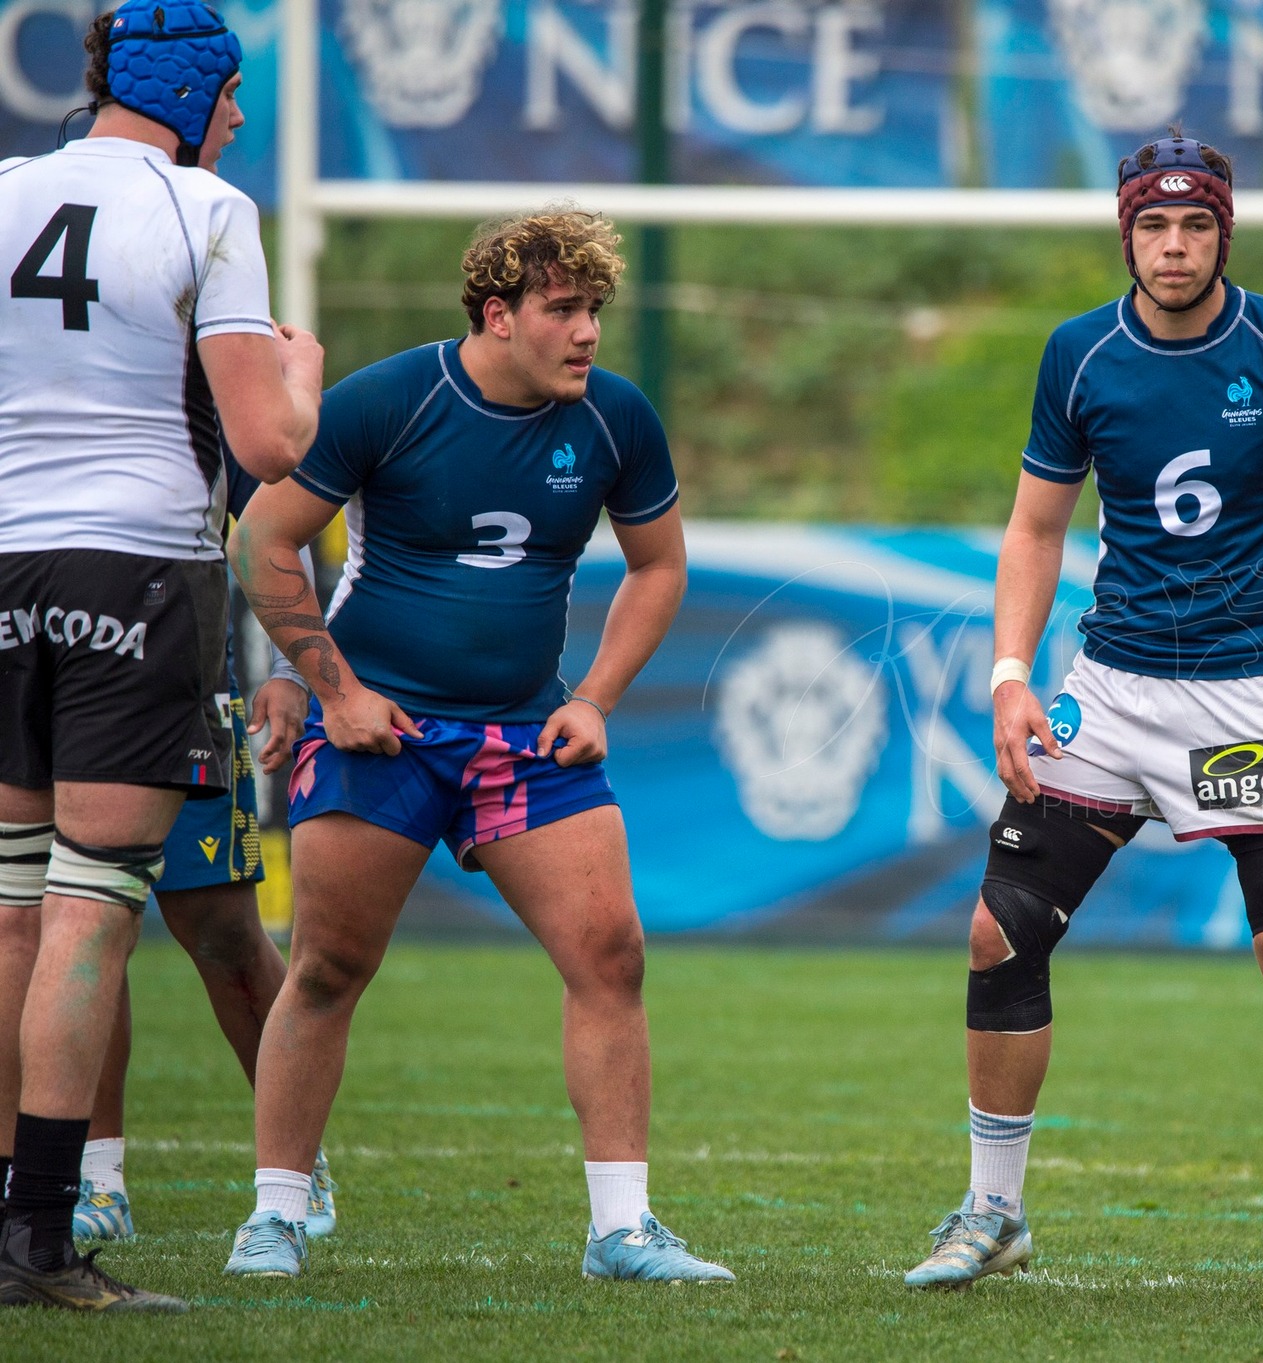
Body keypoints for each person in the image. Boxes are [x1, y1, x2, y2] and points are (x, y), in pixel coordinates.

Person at [901, 134, 1263, 1310]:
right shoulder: (1079, 355)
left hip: (1260, 694)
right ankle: (992, 1211)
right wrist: (1007, 674)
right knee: (999, 930)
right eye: (1152, 226)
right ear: (1125, 233)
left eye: (1193, 226)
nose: (1172, 246)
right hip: (1118, 694)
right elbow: (1036, 529)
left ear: (1222, 231)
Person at [221, 209, 720, 1286]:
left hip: (522, 733)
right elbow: (262, 537)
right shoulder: (390, 400)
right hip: (385, 730)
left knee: (612, 956)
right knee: (328, 967)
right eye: (562, 309)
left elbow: (659, 566)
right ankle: (274, 1213)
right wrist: (332, 691)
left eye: (594, 310)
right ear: (497, 314)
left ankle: (621, 1229)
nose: (587, 332)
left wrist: (592, 698)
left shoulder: (615, 419)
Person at [0, 0, 322, 1311]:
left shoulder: (8, 186)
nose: (238, 119)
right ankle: (37, 1238)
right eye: (234, 94)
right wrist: (299, 370)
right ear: (194, 91)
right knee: (91, 905)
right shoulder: (209, 209)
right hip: (133, 569)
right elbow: (267, 447)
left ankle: (11, 1212)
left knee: (13, 901)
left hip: (5, 563)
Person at [73, 453, 335, 1245]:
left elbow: (278, 522)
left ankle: (297, 1158)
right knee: (78, 920)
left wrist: (292, 667)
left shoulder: (207, 370)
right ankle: (94, 1178)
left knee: (222, 932)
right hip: (54, 680)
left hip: (186, 689)